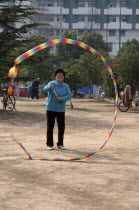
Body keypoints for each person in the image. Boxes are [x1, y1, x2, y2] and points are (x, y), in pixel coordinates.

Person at [43, 68, 71, 150]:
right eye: (58, 75)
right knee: (50, 127)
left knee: (61, 127)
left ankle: (60, 144)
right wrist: (49, 87)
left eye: (61, 75)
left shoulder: (66, 86)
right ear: (55, 76)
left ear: (64, 77)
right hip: (51, 109)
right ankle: (49, 144)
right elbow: (45, 89)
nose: (60, 76)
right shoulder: (52, 83)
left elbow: (69, 96)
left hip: (61, 110)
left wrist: (62, 98)